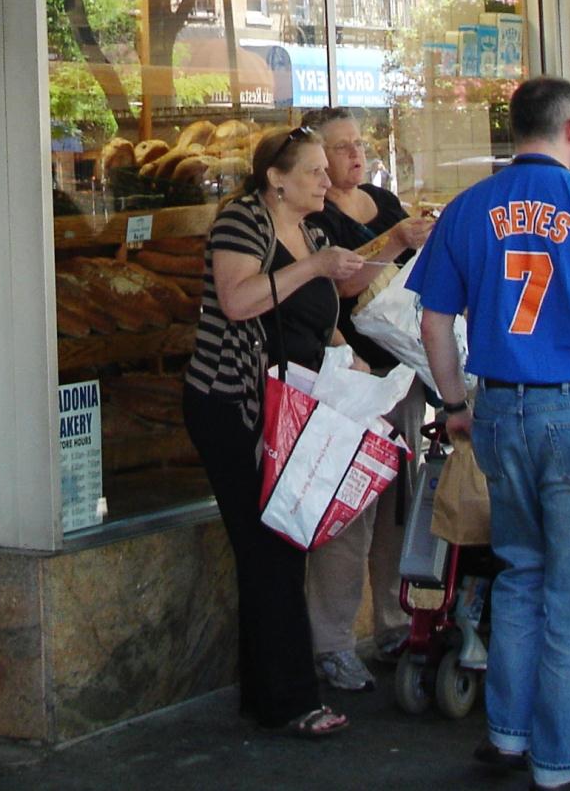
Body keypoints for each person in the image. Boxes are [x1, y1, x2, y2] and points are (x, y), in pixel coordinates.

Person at [413, 77, 570, 791]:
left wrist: (454, 401)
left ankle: (508, 732)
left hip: (500, 411)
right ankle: (559, 762)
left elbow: (434, 322)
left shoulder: (466, 212)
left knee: (521, 574)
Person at [182, 124, 384, 739]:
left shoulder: (315, 230)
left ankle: (267, 691)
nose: (328, 180)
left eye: (328, 169)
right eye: (315, 170)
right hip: (233, 402)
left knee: (278, 542)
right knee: (269, 545)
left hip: (294, 405)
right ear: (276, 178)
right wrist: (315, 267)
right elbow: (239, 301)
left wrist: (351, 355)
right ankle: (291, 698)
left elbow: (321, 310)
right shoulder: (242, 221)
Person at [301, 106, 433, 690]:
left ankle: (393, 619)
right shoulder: (315, 214)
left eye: (360, 143)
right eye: (342, 147)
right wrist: (397, 239)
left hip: (402, 372)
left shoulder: (384, 200)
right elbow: (341, 282)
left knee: (400, 505)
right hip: (351, 379)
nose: (357, 154)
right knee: (351, 511)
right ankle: (330, 641)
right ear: (317, 160)